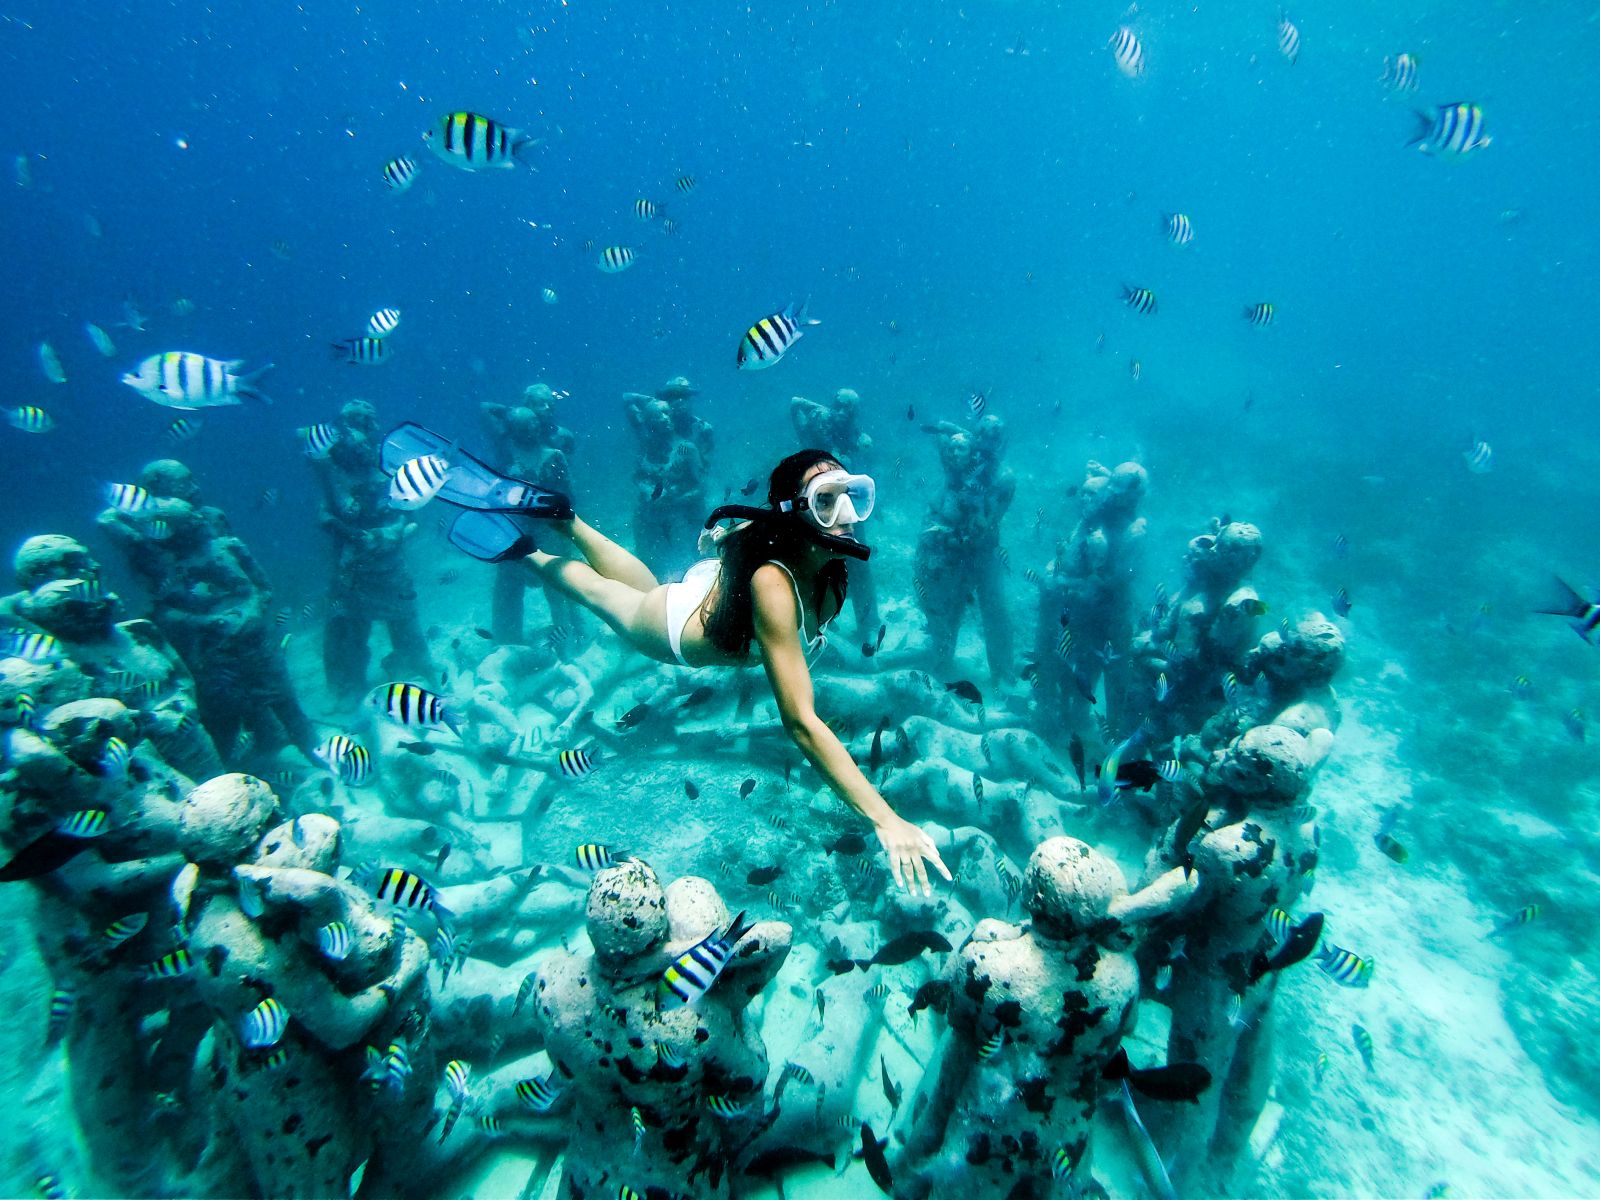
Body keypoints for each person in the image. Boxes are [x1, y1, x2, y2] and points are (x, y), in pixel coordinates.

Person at [434, 441, 951, 895]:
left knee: (643, 586)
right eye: (825, 500)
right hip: (675, 628)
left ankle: (566, 520)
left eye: (852, 494)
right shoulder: (775, 586)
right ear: (798, 512)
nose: (846, 514)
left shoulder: (823, 556)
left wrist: (727, 540)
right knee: (605, 594)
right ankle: (527, 551)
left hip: (711, 589)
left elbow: (761, 524)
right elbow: (800, 723)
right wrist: (885, 818)